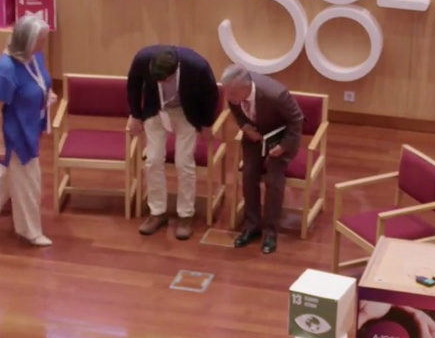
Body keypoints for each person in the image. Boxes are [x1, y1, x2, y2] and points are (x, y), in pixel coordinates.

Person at [0, 15, 56, 246]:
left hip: (29, 125)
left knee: (10, 174)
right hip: (13, 133)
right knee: (29, 181)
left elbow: (40, 82)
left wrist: (46, 95)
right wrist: (0, 143)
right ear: (27, 41)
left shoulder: (34, 56)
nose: (43, 44)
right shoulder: (5, 69)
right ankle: (29, 231)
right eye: (40, 40)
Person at [126, 45, 219, 240]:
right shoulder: (142, 58)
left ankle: (185, 215)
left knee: (184, 162)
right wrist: (135, 114)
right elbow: (133, 84)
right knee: (152, 160)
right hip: (156, 110)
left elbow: (211, 93)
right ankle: (157, 212)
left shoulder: (197, 65)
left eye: (165, 79)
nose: (160, 82)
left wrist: (207, 123)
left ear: (176, 68)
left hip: (186, 112)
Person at [220, 65, 304, 254]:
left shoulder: (276, 94)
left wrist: (283, 146)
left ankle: (270, 232)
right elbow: (236, 111)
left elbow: (296, 120)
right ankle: (252, 226)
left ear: (245, 88)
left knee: (273, 180)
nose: (228, 97)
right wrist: (245, 127)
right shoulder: (233, 94)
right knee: (249, 175)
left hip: (280, 139)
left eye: (231, 93)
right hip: (254, 138)